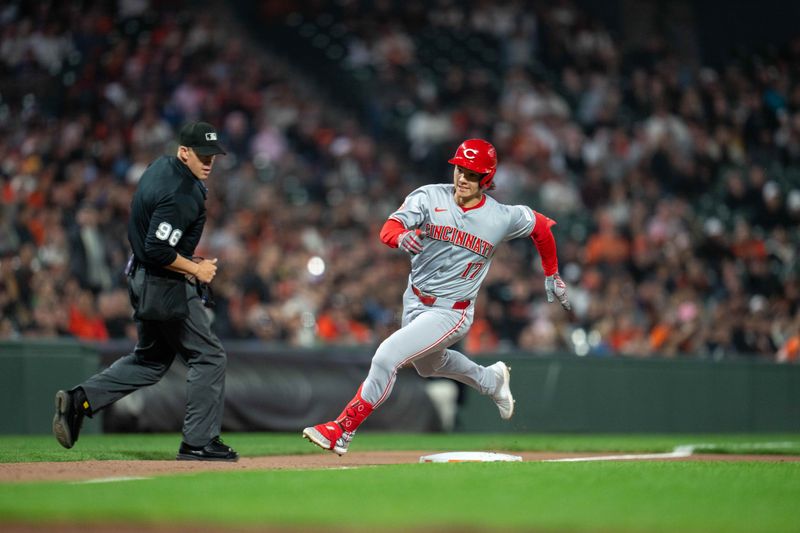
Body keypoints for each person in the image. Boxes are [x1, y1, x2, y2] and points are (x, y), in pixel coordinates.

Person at [302, 138, 571, 454]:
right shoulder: (429, 196)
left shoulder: (502, 216)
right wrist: (400, 237)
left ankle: (342, 430)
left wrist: (551, 273)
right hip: (414, 299)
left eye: (472, 174)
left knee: (387, 356)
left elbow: (542, 228)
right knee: (428, 366)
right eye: (460, 169)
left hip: (452, 311)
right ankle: (491, 380)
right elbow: (388, 228)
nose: (462, 178)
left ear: (486, 179)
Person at [52, 121, 239, 462]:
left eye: (213, 154)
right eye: (202, 154)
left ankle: (80, 400)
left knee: (151, 360)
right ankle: (199, 442)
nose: (209, 161)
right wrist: (196, 268)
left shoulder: (160, 167)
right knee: (209, 356)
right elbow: (156, 248)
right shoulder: (184, 193)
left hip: (140, 277)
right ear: (184, 152)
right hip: (163, 283)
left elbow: (149, 235)